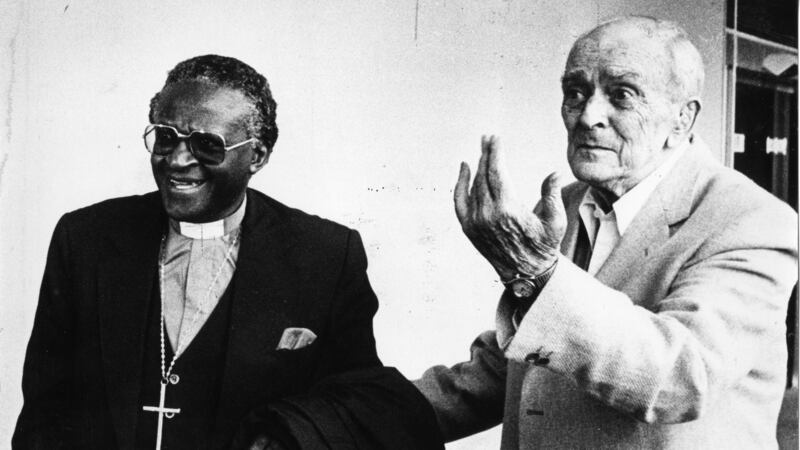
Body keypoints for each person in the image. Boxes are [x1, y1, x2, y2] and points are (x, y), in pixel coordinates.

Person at [13, 55, 443, 450]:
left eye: (206, 145)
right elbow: (44, 413)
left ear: (256, 155)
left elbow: (357, 404)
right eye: (166, 137)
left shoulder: (325, 255)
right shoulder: (86, 239)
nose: (178, 160)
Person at [415, 16, 798, 449]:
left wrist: (538, 275)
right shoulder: (570, 202)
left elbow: (682, 379)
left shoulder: (751, 218)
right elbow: (523, 364)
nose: (588, 116)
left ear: (682, 119)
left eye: (622, 94)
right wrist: (356, 416)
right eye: (575, 92)